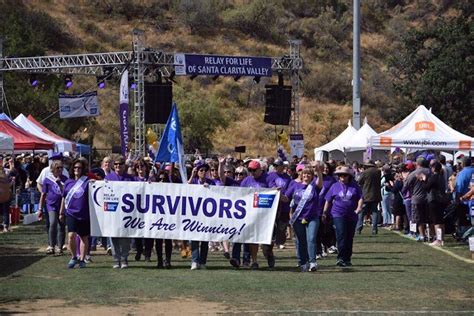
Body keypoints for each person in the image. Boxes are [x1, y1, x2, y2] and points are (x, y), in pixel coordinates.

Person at [282, 164, 323, 272]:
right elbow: (286, 198)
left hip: (312, 217)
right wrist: (277, 193)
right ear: (301, 174)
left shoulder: (314, 186)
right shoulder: (295, 186)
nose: (306, 175)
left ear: (312, 176)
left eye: (309, 174)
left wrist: (318, 172)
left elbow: (320, 183)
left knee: (311, 239)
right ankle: (303, 262)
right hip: (298, 218)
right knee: (301, 241)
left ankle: (313, 262)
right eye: (305, 173)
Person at [323, 166, 363, 267]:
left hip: (352, 215)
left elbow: (360, 198)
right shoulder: (334, 186)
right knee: (341, 235)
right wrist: (324, 212)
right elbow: (328, 200)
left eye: (344, 175)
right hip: (337, 214)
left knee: (349, 236)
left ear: (349, 176)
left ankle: (347, 258)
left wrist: (358, 208)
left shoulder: (355, 186)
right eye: (340, 175)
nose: (342, 177)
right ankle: (340, 258)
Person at [59, 158, 90, 269]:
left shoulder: (87, 181)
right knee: (71, 236)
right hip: (71, 213)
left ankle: (82, 259)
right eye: (75, 167)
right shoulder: (68, 182)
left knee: (83, 237)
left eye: (79, 168)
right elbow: (64, 198)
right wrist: (61, 212)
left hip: (84, 213)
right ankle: (73, 257)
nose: (77, 169)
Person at [105, 156, 135, 269]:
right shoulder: (108, 177)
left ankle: (124, 259)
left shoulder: (130, 178)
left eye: (120, 164)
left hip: (126, 213)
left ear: (124, 165)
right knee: (114, 237)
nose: (118, 166)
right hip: (113, 213)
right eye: (116, 164)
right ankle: (116, 259)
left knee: (125, 238)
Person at [188, 160, 215, 270]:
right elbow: (186, 188)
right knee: (194, 239)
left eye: (205, 170)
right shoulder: (194, 181)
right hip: (194, 214)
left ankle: (203, 262)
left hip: (206, 215)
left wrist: (209, 188)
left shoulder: (210, 182)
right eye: (201, 170)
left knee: (204, 239)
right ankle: (194, 261)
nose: (203, 172)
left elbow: (218, 188)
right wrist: (192, 175)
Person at [38, 160, 67, 255]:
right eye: (58, 167)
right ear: (53, 169)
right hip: (51, 205)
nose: (60, 169)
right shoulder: (47, 179)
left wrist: (60, 184)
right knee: (53, 222)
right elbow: (43, 194)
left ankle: (60, 246)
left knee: (61, 225)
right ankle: (51, 245)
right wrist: (40, 208)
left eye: (61, 167)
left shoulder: (65, 179)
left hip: (62, 205)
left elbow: (66, 193)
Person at [402, 157, 431, 242]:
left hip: (417, 198)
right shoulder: (430, 172)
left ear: (417, 164)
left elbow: (405, 187)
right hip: (429, 198)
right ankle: (432, 235)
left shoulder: (413, 174)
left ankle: (422, 235)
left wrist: (405, 192)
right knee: (429, 218)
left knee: (418, 218)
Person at [420, 161, 448, 246]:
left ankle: (439, 240)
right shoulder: (441, 177)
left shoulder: (434, 177)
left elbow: (426, 187)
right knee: (440, 221)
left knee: (437, 221)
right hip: (441, 200)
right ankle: (441, 239)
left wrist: (423, 180)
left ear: (433, 168)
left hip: (434, 200)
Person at [356, 160, 382, 235]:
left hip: (366, 194)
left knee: (361, 212)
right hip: (375, 195)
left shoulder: (365, 172)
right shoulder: (378, 172)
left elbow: (359, 181)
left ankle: (359, 228)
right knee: (374, 212)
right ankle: (374, 229)